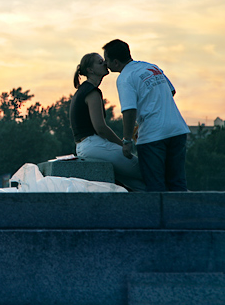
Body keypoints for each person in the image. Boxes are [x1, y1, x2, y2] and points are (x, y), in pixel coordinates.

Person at [102, 39, 190, 191]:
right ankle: (180, 214)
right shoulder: (151, 67)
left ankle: (160, 215)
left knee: (155, 186)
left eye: (107, 60)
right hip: (178, 130)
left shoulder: (124, 78)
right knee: (177, 183)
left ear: (116, 62)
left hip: (152, 136)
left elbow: (129, 110)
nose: (105, 64)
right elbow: (171, 91)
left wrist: (127, 140)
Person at [70, 53, 146, 191]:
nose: (105, 63)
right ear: (90, 70)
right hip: (94, 146)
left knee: (136, 184)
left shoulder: (82, 90)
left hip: (85, 147)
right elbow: (100, 128)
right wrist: (123, 144)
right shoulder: (92, 92)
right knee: (146, 170)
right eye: (100, 62)